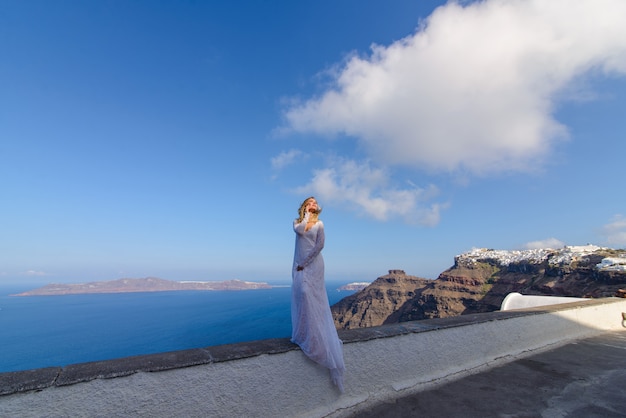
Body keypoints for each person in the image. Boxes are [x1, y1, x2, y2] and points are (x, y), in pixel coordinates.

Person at [291, 196, 345, 393]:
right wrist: (306, 216)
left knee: (313, 296)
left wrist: (306, 261)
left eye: (315, 202)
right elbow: (300, 231)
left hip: (313, 264)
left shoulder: (320, 224)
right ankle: (305, 334)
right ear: (305, 205)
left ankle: (317, 339)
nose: (313, 204)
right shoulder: (297, 222)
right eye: (310, 202)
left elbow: (320, 245)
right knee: (302, 295)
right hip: (299, 265)